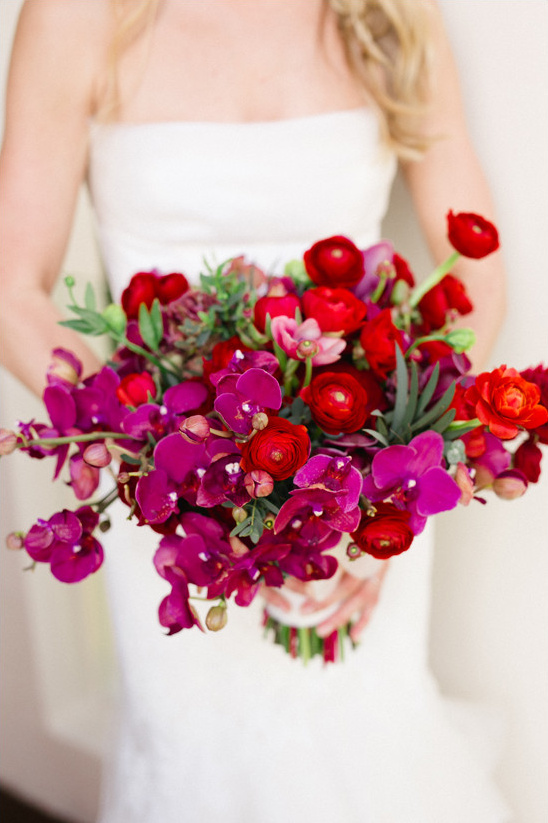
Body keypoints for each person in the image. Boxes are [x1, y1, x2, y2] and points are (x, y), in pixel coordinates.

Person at [0, 1, 510, 820]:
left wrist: (384, 493)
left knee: (367, 753)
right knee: (202, 764)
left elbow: (476, 279)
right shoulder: (76, 16)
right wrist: (156, 455)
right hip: (170, 500)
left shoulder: (387, 15)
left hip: (361, 487)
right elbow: (10, 285)